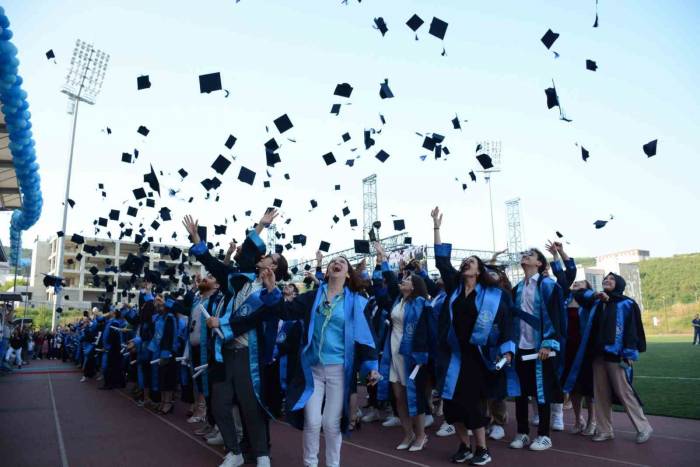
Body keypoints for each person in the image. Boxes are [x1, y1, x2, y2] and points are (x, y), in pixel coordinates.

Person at [185, 209, 287, 467]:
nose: (262, 257)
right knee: (218, 405)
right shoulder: (238, 280)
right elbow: (212, 262)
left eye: (269, 257)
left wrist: (223, 322)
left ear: (274, 267)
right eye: (262, 255)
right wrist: (197, 237)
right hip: (224, 352)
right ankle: (234, 451)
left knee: (250, 407)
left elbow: (254, 319)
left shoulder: (271, 293)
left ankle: (262, 455)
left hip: (247, 355)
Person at [260, 254, 380, 467]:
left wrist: (371, 367)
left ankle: (333, 464)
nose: (337, 263)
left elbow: (366, 336)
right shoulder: (313, 297)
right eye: (334, 261)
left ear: (348, 273)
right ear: (327, 271)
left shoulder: (356, 302)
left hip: (338, 371)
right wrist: (271, 288)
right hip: (312, 369)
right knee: (312, 421)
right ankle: (310, 464)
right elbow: (285, 311)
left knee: (330, 423)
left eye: (342, 263)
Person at [432, 207, 515, 466]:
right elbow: (441, 261)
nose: (466, 262)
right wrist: (436, 227)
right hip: (452, 355)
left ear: (479, 270)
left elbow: (505, 323)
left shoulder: (493, 296)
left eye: (471, 260)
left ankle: (482, 449)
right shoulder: (455, 288)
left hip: (477, 356)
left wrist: (508, 350)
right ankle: (464, 445)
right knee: (451, 405)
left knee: (470, 403)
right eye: (464, 260)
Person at [574, 273, 653, 444]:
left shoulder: (627, 303)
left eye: (611, 279)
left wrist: (629, 353)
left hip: (617, 354)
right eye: (605, 279)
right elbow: (578, 295)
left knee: (624, 392)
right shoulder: (596, 301)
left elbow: (632, 330)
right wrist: (596, 295)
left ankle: (643, 427)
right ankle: (605, 430)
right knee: (600, 394)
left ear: (619, 284)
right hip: (597, 354)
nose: (607, 281)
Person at [375, 242, 431, 452]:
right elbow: (389, 281)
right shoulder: (398, 300)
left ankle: (421, 436)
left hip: (412, 356)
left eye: (407, 279)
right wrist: (382, 259)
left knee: (413, 396)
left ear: (415, 286)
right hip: (394, 353)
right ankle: (407, 434)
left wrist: (422, 355)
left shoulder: (421, 305)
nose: (402, 281)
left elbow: (426, 333)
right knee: (399, 397)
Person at [509, 247, 564, 452]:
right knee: (521, 393)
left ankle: (543, 435)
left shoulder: (549, 286)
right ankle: (522, 433)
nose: (525, 257)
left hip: (541, 348)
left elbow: (556, 315)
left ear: (540, 263)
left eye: (530, 255)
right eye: (524, 255)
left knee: (542, 393)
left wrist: (548, 343)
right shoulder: (518, 288)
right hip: (521, 346)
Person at [562, 280, 597, 436]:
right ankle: (578, 419)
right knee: (574, 388)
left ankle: (593, 420)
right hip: (568, 350)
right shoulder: (565, 300)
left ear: (588, 289)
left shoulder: (590, 303)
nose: (576, 283)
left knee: (588, 389)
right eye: (575, 282)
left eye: (581, 283)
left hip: (585, 350)